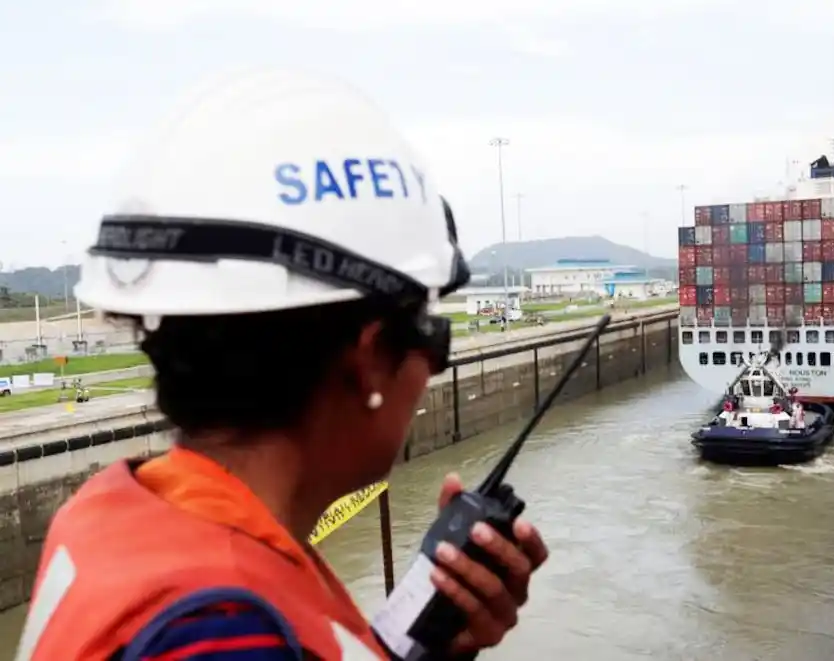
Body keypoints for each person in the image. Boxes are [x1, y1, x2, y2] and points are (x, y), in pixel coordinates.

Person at [14, 69, 548, 661]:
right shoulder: (224, 631)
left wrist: (428, 649)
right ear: (371, 360)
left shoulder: (111, 515)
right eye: (431, 334)